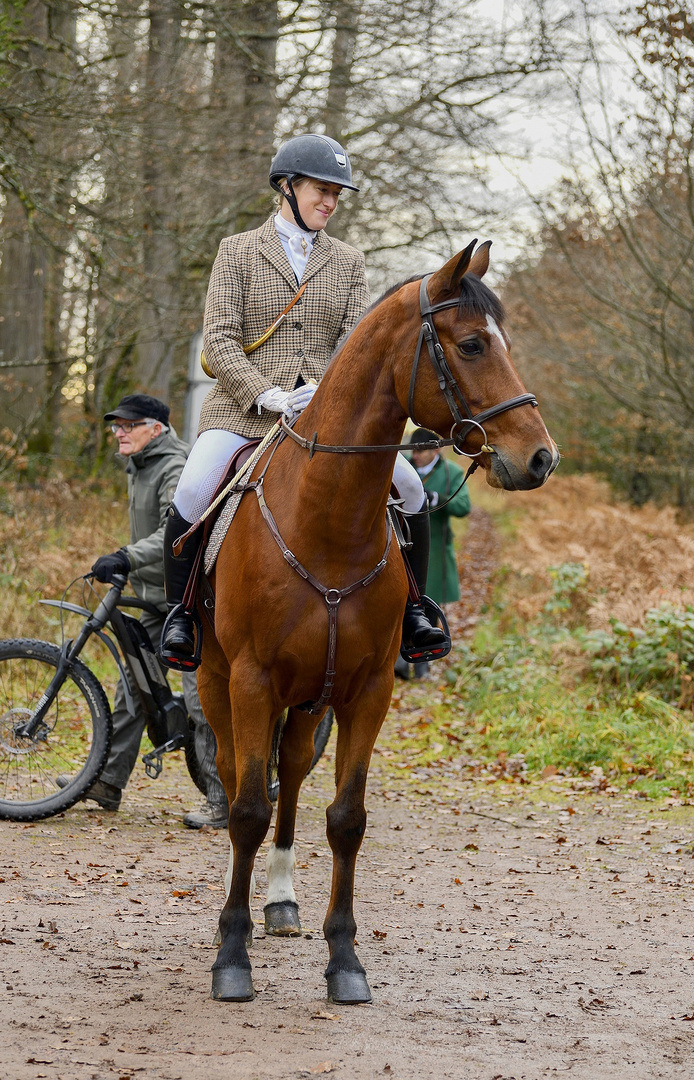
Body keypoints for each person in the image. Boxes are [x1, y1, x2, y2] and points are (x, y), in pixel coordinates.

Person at [159, 133, 445, 668]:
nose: (330, 203)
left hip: (323, 415)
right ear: (287, 187)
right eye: (321, 190)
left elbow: (354, 345)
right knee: (193, 488)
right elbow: (219, 340)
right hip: (242, 412)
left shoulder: (348, 261)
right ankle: (181, 614)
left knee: (408, 487)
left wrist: (328, 391)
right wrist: (266, 394)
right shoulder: (238, 251)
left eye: (337, 194)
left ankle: (415, 609)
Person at [59, 394, 229, 828]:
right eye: (116, 425)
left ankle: (223, 799)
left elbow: (175, 533)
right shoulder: (140, 464)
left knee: (199, 698)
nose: (119, 431)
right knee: (132, 685)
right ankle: (107, 781)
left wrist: (126, 557)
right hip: (154, 595)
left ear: (155, 428)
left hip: (190, 597)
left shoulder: (174, 465)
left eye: (129, 425)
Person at [408, 427, 471, 605]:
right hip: (401, 545)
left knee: (429, 604)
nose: (415, 456)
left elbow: (463, 506)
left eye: (419, 451)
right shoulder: (405, 467)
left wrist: (436, 499)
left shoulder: (452, 472)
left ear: (435, 450)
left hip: (434, 548)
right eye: (413, 450)